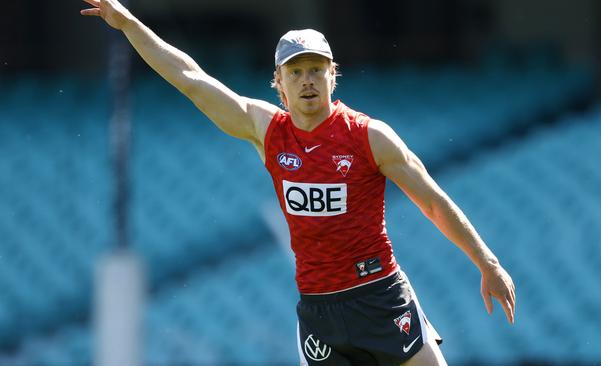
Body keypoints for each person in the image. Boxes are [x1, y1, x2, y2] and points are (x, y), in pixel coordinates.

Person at [81, 1, 516, 365]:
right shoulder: (266, 130)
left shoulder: (369, 136)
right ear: (280, 85)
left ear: (332, 75)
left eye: (315, 69)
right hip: (319, 309)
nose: (306, 79)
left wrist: (487, 262)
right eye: (295, 72)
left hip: (380, 295)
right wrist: (130, 24)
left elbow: (434, 203)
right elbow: (191, 80)